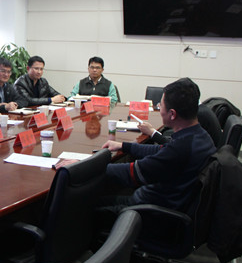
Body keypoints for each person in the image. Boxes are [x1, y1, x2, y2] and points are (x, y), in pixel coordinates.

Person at [57, 78, 216, 212]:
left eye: (161, 106)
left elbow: (131, 173)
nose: (159, 108)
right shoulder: (199, 136)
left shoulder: (180, 148)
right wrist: (124, 146)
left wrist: (82, 166)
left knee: (80, 207)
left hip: (146, 211)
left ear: (172, 114)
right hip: (163, 200)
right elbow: (160, 149)